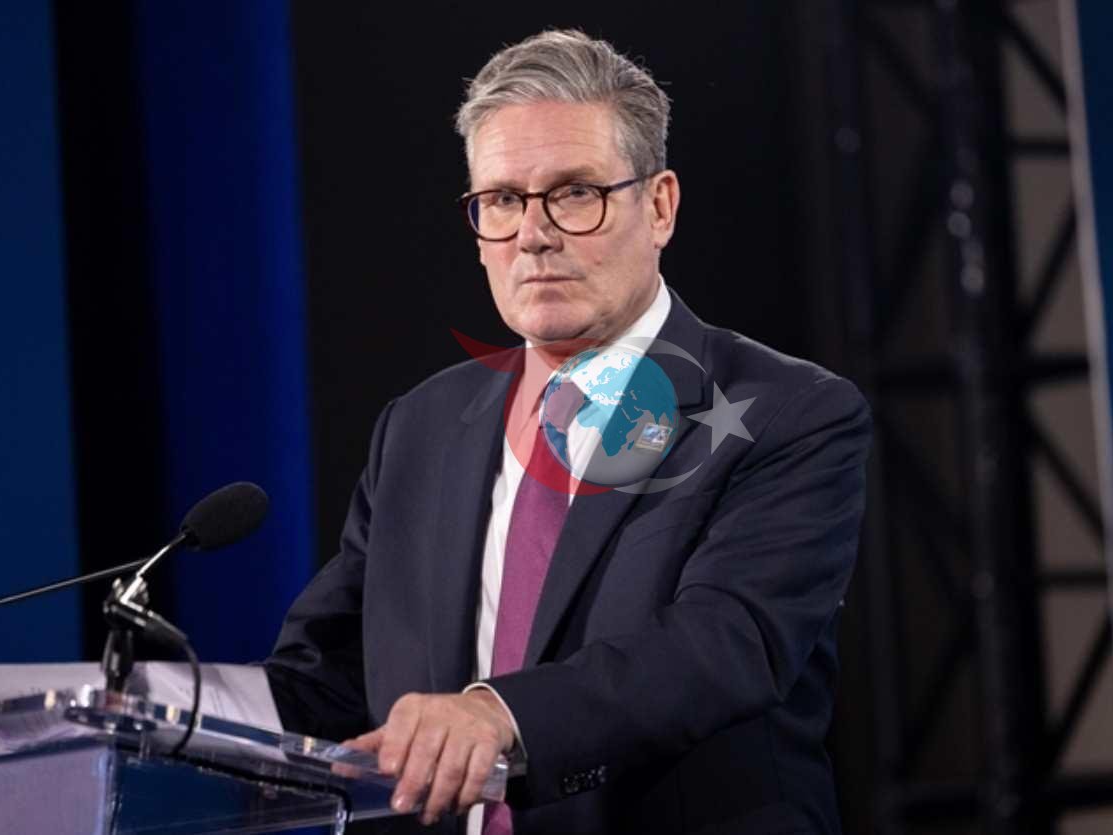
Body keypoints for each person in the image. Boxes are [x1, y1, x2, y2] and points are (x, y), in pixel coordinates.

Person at [266, 29, 871, 835]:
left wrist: (498, 714)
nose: (533, 233)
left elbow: (723, 643)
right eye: (502, 200)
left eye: (575, 192)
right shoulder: (421, 426)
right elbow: (327, 673)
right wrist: (162, 707)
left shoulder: (786, 413)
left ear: (659, 206)